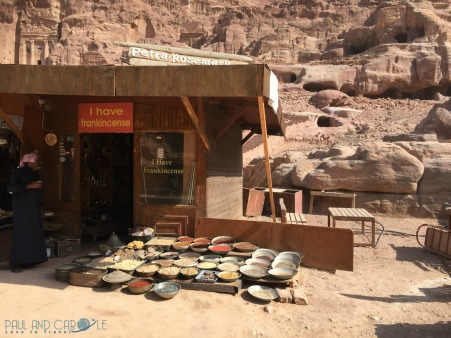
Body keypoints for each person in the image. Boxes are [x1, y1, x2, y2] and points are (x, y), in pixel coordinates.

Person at [7, 150, 47, 272]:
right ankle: (16, 263)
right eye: (37, 160)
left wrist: (41, 207)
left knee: (33, 234)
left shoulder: (36, 174)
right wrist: (28, 186)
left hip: (33, 209)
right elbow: (11, 188)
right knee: (21, 234)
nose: (38, 162)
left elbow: (37, 194)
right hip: (22, 210)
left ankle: (29, 261)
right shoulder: (18, 172)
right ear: (31, 161)